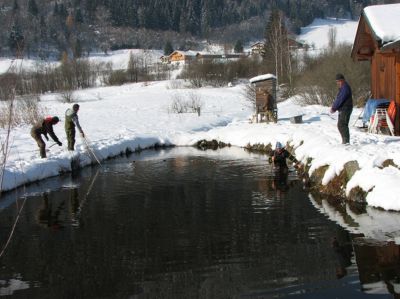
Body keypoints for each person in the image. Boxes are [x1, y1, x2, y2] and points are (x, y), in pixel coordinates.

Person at [330, 73, 353, 144]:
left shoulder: (345, 88)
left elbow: (341, 99)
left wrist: (334, 108)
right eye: (337, 81)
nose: (338, 83)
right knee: (341, 125)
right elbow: (338, 98)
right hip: (343, 109)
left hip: (346, 108)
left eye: (339, 81)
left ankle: (346, 142)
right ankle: (345, 141)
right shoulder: (342, 88)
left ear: (343, 80)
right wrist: (334, 106)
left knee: (342, 125)